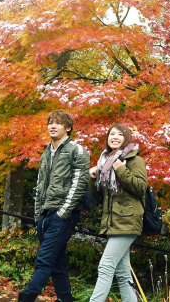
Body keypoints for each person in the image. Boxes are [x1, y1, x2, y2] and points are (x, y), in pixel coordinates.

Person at [18, 110, 91, 302]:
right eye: (50, 122)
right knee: (57, 263)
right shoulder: (45, 153)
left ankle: (26, 298)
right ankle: (66, 299)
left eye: (58, 123)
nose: (53, 126)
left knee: (44, 261)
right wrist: (37, 215)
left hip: (62, 215)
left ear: (68, 127)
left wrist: (62, 213)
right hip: (45, 215)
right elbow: (40, 185)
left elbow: (79, 184)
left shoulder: (77, 150)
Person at [88, 123, 149, 302]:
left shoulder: (134, 160)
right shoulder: (104, 162)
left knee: (106, 266)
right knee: (123, 274)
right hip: (113, 222)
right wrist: (93, 179)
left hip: (128, 221)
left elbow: (140, 187)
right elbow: (98, 198)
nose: (114, 137)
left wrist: (121, 169)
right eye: (111, 134)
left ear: (126, 138)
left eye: (119, 134)